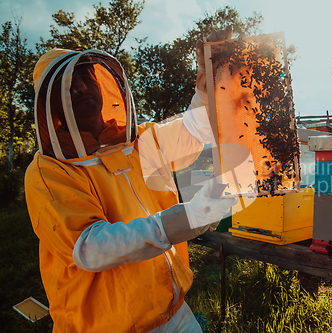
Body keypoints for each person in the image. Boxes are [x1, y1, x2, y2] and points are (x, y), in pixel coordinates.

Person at [25, 27, 236, 332]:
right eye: (69, 85)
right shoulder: (49, 172)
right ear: (50, 104)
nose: (81, 87)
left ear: (103, 85)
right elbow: (90, 246)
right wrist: (183, 219)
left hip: (174, 310)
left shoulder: (138, 141)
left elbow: (194, 131)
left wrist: (206, 86)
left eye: (86, 78)